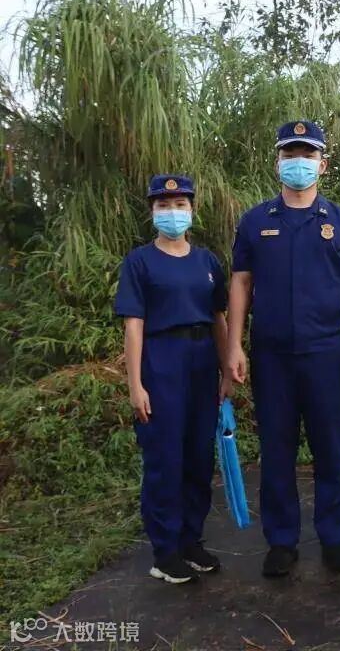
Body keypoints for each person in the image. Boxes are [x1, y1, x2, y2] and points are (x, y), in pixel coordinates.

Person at [226, 120, 340, 577]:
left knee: (329, 446)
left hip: (324, 352)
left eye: (307, 155)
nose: (298, 163)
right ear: (277, 163)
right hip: (271, 355)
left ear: (322, 165)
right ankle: (282, 541)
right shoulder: (255, 222)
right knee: (276, 448)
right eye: (290, 154)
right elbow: (240, 283)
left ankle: (334, 538)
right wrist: (234, 345)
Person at [115, 175, 230, 584]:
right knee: (166, 458)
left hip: (202, 362)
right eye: (163, 206)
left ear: (192, 210)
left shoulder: (207, 262)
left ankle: (190, 541)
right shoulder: (140, 262)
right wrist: (135, 384)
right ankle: (165, 552)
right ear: (152, 212)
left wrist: (227, 370)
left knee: (199, 457)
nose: (172, 212)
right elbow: (133, 326)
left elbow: (219, 318)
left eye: (180, 205)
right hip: (162, 360)